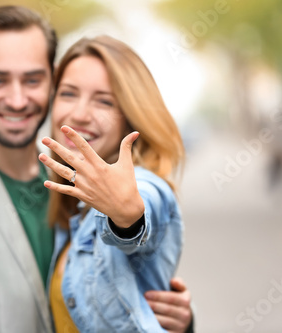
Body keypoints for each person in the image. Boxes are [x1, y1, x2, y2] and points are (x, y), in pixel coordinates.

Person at [0, 6, 193, 333]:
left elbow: (140, 210)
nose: (18, 100)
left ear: (50, 80)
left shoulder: (76, 180)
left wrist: (177, 321)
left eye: (32, 79)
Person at [38, 35, 186, 332]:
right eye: (68, 94)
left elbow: (140, 208)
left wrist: (126, 215)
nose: (79, 114)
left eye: (104, 100)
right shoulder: (67, 201)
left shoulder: (145, 184)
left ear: (131, 116)